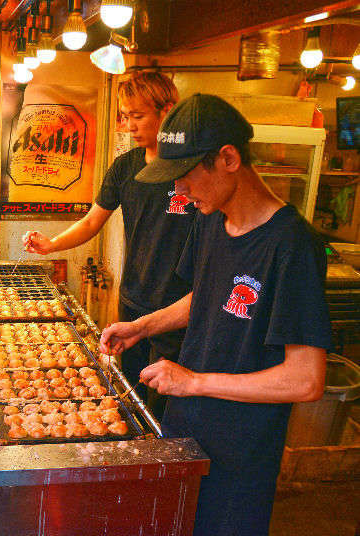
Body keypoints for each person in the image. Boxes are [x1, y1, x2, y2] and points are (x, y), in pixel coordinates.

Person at [101, 94, 331, 536]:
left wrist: (194, 381)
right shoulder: (210, 220)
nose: (180, 193)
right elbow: (204, 296)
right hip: (185, 425)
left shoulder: (292, 246)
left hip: (240, 451)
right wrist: (141, 326)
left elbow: (306, 379)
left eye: (185, 177)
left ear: (228, 158)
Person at [22, 72, 189, 415]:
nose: (129, 126)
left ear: (167, 111)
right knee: (130, 394)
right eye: (125, 116)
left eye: (137, 116)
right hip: (134, 298)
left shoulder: (191, 169)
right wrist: (52, 244)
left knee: (165, 406)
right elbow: (92, 221)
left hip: (180, 308)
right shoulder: (125, 167)